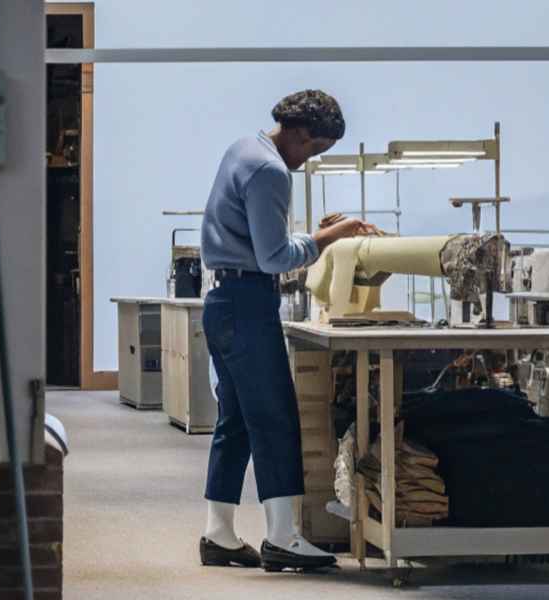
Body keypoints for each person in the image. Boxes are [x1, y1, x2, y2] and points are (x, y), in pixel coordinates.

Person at [196, 89, 373, 572]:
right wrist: (330, 237)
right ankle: (282, 536)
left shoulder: (242, 148)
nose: (309, 159)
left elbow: (259, 242)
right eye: (313, 148)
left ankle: (219, 533)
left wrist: (312, 234)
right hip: (248, 303)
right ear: (296, 133)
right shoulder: (271, 170)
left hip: (222, 302)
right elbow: (274, 258)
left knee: (234, 421)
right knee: (275, 419)